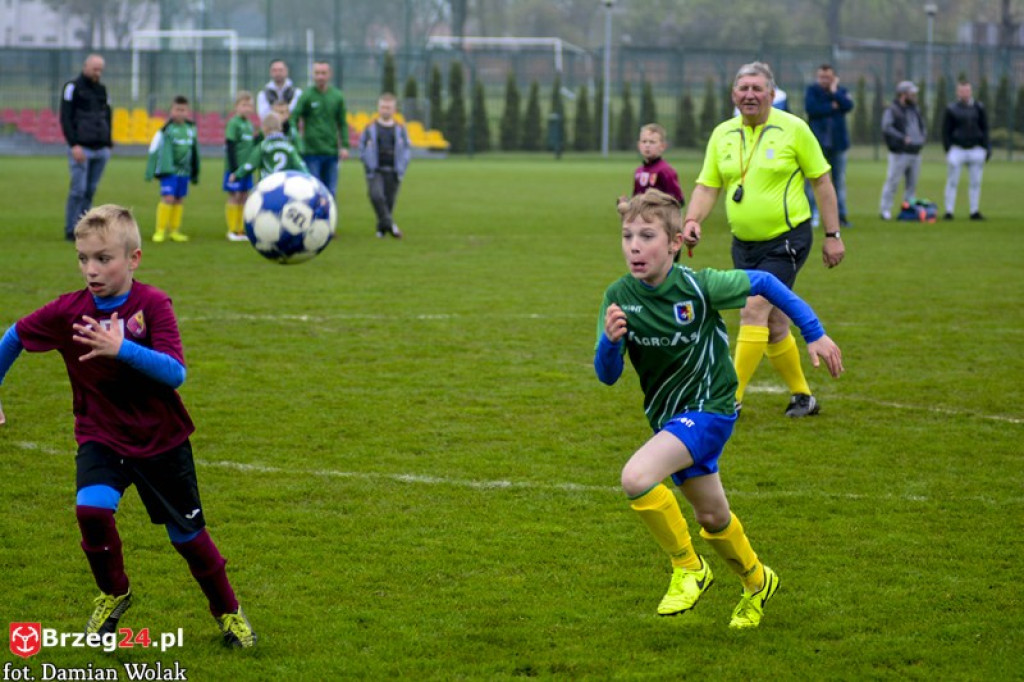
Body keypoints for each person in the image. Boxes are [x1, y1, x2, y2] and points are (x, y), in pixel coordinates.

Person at [0, 205, 256, 648]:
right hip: (101, 435)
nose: (91, 270)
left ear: (133, 258)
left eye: (103, 258)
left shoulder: (153, 304)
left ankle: (229, 613)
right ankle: (114, 593)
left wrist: (122, 349)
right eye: (83, 258)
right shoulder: (69, 311)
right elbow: (14, 337)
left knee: (189, 538)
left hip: (161, 441)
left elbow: (176, 373)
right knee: (92, 510)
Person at [595, 189, 843, 627]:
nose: (634, 245)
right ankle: (757, 581)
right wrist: (609, 342)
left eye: (647, 235)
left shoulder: (699, 285)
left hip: (710, 409)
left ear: (674, 243)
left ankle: (689, 568)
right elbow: (608, 374)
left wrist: (814, 333)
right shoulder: (618, 295)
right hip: (670, 419)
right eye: (627, 235)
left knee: (636, 477)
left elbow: (765, 283)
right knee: (713, 516)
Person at [683, 62, 844, 418]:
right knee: (773, 323)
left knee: (753, 308)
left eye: (758, 89)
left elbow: (822, 182)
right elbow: (708, 185)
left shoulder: (794, 129)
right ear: (734, 95)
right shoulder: (722, 134)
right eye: (744, 89)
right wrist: (692, 220)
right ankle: (803, 397)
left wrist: (832, 235)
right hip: (744, 243)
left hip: (787, 239)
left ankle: (729, 398)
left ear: (772, 94)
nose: (750, 95)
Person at [60, 53, 112, 242]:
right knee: (78, 190)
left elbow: (107, 115)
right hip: (81, 147)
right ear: (85, 67)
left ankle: (83, 227)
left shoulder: (102, 90)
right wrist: (73, 144)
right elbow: (65, 117)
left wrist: (108, 142)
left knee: (90, 190)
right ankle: (70, 228)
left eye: (100, 70)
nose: (97, 73)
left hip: (100, 148)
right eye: (94, 69)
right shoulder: (72, 88)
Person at [805, 64, 854, 227]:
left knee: (839, 182)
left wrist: (834, 92)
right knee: (813, 181)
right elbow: (811, 109)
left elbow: (848, 106)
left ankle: (841, 216)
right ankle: (812, 215)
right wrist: (832, 106)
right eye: (821, 77)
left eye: (828, 77)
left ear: (833, 78)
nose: (824, 80)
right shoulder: (812, 91)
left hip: (838, 145)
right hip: (817, 145)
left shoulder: (840, 91)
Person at [145, 95, 199, 243]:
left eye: (183, 110)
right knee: (168, 198)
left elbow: (194, 151)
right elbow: (154, 149)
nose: (180, 113)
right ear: (171, 111)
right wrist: (152, 170)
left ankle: (174, 231)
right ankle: (160, 230)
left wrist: (195, 170)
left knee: (179, 199)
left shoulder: (190, 129)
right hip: (169, 171)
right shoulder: (166, 130)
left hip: (184, 172)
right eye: (177, 109)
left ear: (187, 112)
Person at [358, 93, 412, 239]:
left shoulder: (400, 128)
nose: (385, 110)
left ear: (394, 109)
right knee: (376, 196)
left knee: (388, 202)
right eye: (383, 107)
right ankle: (392, 227)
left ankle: (381, 229)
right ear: (378, 108)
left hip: (394, 169)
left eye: (388, 107)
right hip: (375, 169)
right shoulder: (370, 127)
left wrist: (404, 162)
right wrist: (365, 158)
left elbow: (407, 147)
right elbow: (361, 146)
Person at [293, 60, 350, 196]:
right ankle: (314, 217)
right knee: (314, 190)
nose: (320, 77)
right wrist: (297, 141)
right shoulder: (307, 96)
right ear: (313, 75)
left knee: (331, 191)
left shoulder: (337, 96)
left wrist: (345, 146)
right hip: (311, 152)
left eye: (323, 73)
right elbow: (293, 118)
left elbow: (342, 123)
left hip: (331, 151)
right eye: (317, 73)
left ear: (329, 75)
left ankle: (329, 217)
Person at [941, 80, 990, 221]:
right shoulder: (951, 109)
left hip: (975, 148)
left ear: (971, 91)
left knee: (975, 182)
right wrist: (948, 149)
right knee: (952, 181)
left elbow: (985, 128)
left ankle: (974, 210)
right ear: (958, 92)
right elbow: (946, 131)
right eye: (962, 91)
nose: (965, 93)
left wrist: (986, 147)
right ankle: (949, 211)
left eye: (967, 90)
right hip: (957, 149)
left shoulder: (979, 108)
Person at [879, 81, 926, 220]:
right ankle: (885, 209)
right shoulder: (892, 110)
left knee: (912, 185)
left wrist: (922, 137)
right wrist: (902, 138)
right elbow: (887, 127)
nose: (914, 96)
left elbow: (921, 126)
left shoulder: (915, 109)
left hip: (915, 152)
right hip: (899, 153)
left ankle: (908, 209)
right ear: (903, 94)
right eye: (912, 93)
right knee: (893, 182)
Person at [618, 123, 685, 208]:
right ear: (639, 145)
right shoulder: (639, 171)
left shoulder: (666, 171)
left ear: (663, 146)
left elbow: (678, 201)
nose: (647, 145)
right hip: (641, 220)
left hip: (659, 220)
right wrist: (628, 203)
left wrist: (656, 204)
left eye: (652, 142)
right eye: (644, 141)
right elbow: (636, 200)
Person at [230, 112, 309, 182]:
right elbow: (300, 165)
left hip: (266, 184)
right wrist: (309, 178)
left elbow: (250, 165)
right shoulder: (289, 147)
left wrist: (237, 175)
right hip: (284, 184)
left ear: (265, 128)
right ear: (280, 128)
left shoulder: (263, 146)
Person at [223, 91, 257, 242]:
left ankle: (242, 229)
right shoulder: (234, 123)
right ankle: (232, 229)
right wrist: (234, 169)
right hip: (235, 169)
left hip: (246, 169)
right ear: (236, 106)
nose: (247, 108)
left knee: (244, 197)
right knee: (234, 196)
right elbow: (230, 146)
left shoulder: (249, 125)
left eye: (249, 105)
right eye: (244, 105)